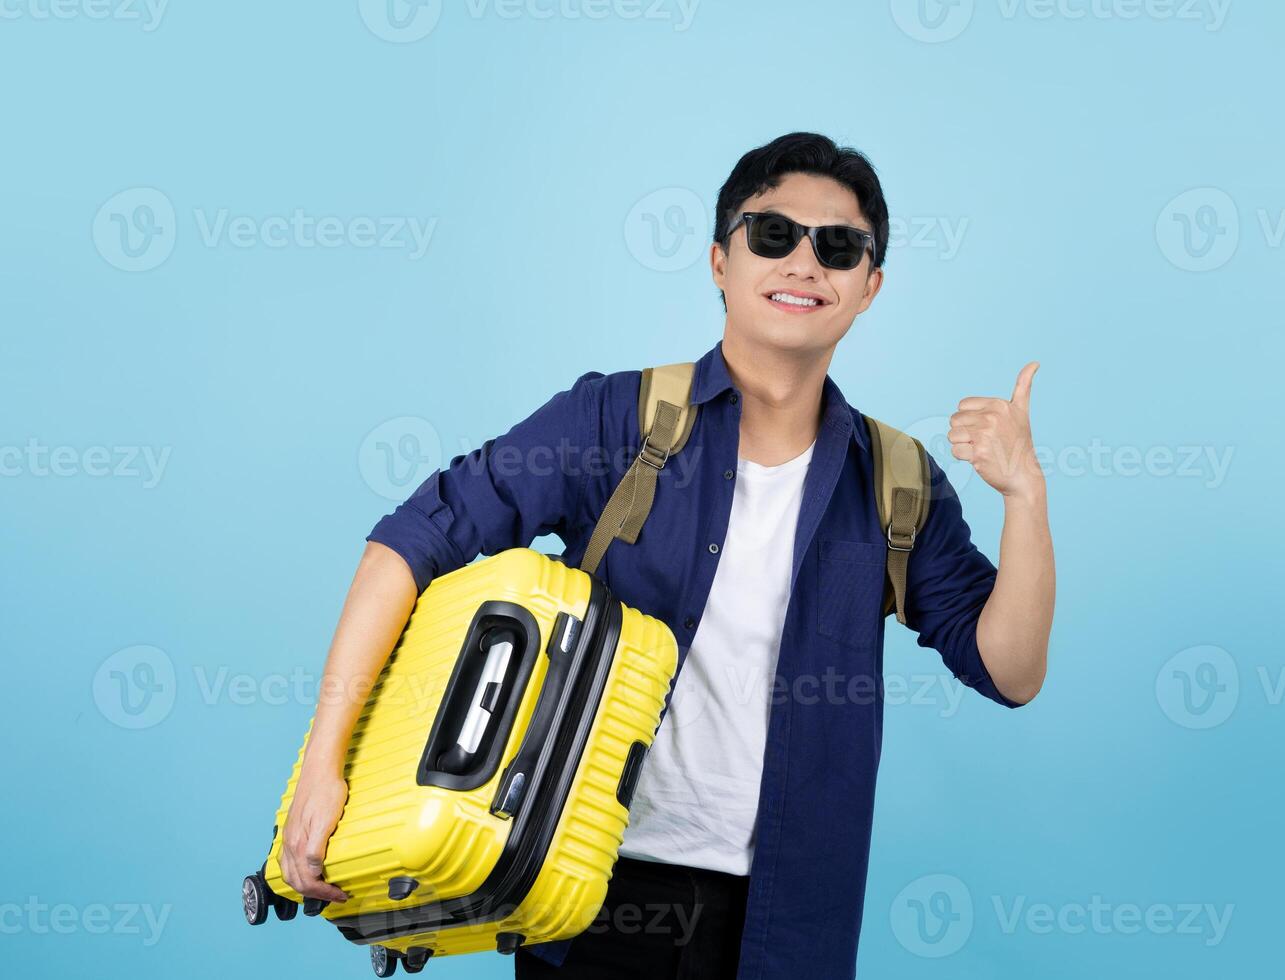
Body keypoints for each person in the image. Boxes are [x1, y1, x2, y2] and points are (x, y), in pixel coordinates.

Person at [277, 131, 1056, 979]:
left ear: (869, 287)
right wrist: (325, 763)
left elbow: (1008, 669)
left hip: (789, 916)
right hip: (592, 891)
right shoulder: (612, 422)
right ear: (721, 260)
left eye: (837, 247)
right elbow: (411, 540)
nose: (803, 263)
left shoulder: (896, 483)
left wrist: (1025, 497)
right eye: (772, 235)